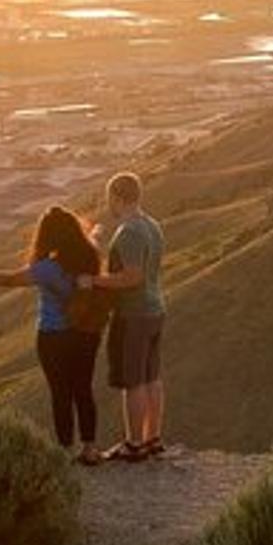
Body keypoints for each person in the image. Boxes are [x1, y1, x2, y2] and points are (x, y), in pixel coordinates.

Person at [0, 205, 105, 465]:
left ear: (48, 235)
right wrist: (95, 232)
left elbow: (7, 279)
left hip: (54, 337)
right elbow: (93, 239)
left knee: (60, 393)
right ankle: (90, 448)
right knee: (83, 389)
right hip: (86, 333)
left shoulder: (47, 269)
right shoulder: (90, 256)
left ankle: (65, 450)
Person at [83, 171, 167, 461]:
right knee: (152, 377)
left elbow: (132, 277)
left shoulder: (129, 231)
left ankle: (133, 445)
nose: (108, 204)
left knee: (133, 382)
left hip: (133, 314)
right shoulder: (152, 225)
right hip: (155, 309)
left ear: (117, 197)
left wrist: (93, 281)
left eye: (109, 198)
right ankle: (153, 439)